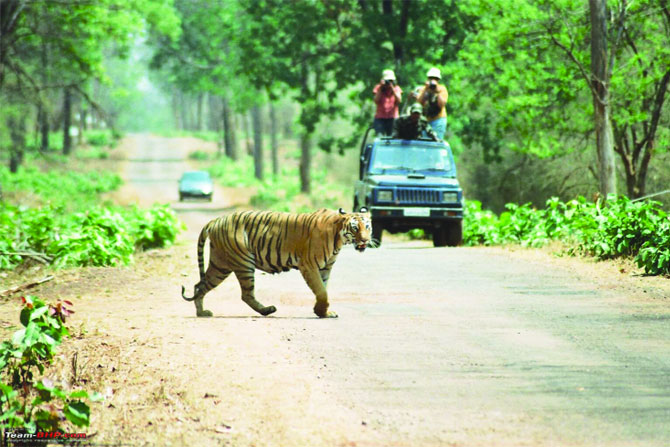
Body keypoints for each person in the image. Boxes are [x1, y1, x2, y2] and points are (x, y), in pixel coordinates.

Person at [416, 67, 448, 140]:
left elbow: (442, 104)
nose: (433, 80)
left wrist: (437, 92)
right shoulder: (424, 89)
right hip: (426, 120)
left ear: (438, 80)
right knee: (424, 142)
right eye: (431, 78)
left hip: (438, 120)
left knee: (437, 141)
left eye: (435, 78)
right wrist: (425, 90)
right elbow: (419, 103)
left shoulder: (442, 89)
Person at [372, 69, 402, 136]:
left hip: (393, 118)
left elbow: (399, 100)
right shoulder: (378, 88)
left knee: (392, 138)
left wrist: (392, 89)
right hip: (380, 118)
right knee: (380, 137)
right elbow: (376, 100)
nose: (388, 83)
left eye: (390, 81)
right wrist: (381, 89)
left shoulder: (396, 88)